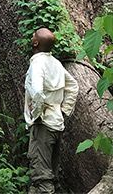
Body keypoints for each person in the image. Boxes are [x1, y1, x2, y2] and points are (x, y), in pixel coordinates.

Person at [24, 27, 79, 194]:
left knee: (42, 176)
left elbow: (38, 92)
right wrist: (63, 111)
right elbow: (73, 87)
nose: (32, 36)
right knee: (48, 173)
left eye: (34, 35)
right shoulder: (55, 63)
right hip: (56, 123)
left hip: (43, 125)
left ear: (35, 42)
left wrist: (37, 115)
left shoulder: (38, 64)